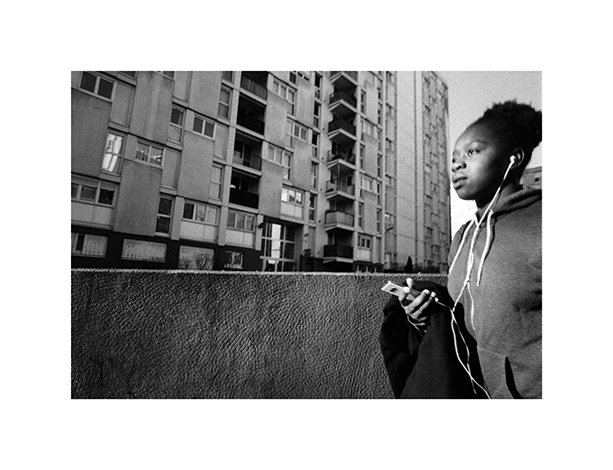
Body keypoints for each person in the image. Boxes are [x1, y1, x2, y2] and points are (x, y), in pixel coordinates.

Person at [380, 100, 542, 399]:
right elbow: (463, 322)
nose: (456, 164)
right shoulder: (463, 237)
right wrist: (421, 315)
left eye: (472, 152)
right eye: (454, 157)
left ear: (514, 158)